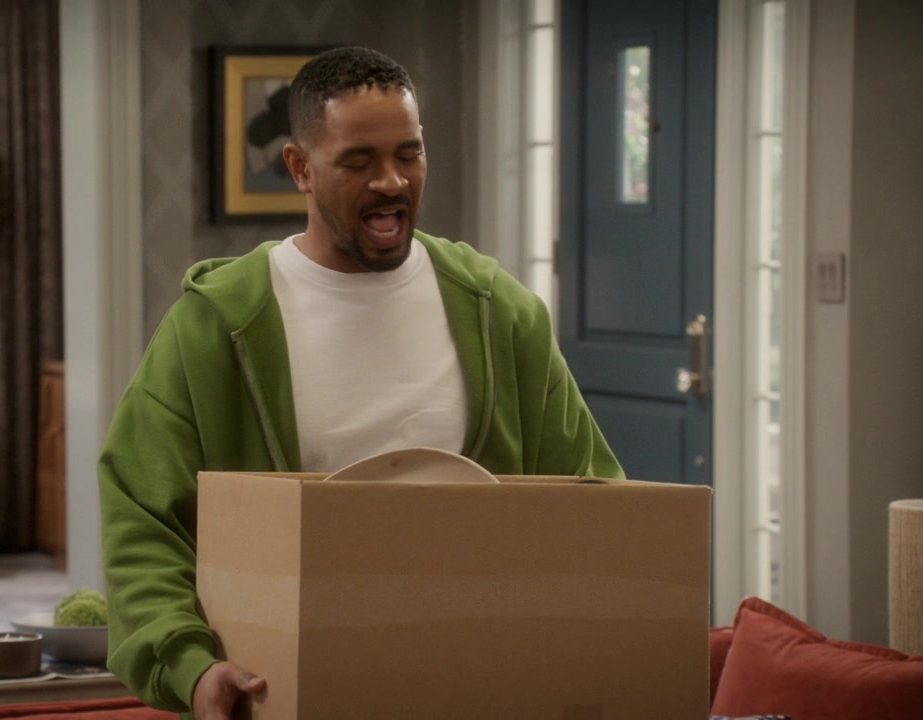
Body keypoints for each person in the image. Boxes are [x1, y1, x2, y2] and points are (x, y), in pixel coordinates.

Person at [97, 46, 623, 719]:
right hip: (282, 694)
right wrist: (190, 668)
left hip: (479, 692)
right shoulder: (214, 328)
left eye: (409, 154)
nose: (392, 181)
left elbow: (593, 505)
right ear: (300, 168)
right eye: (358, 161)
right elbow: (142, 520)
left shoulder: (501, 315)